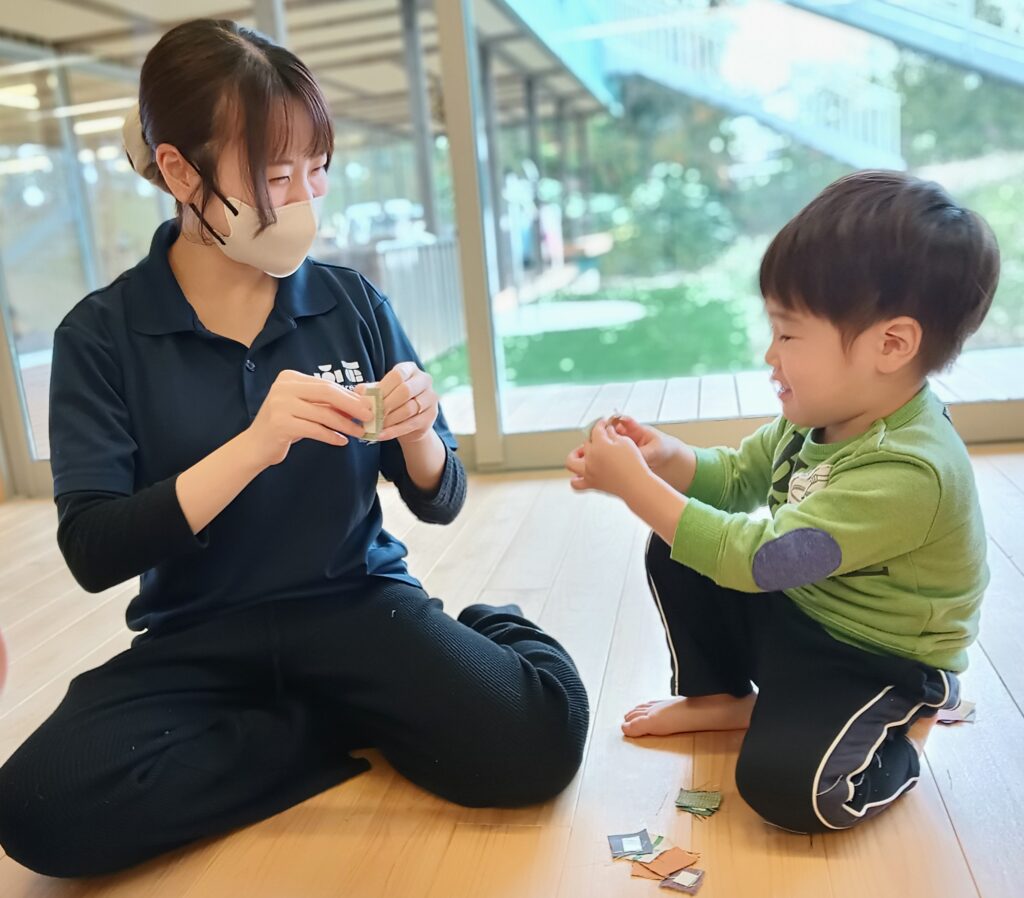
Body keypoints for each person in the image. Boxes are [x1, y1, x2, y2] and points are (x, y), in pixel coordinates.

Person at [0, 19, 588, 877]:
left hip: (359, 607)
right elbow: (94, 551)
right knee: (39, 811)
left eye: (317, 170)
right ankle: (318, 721)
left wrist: (419, 435)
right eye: (277, 178)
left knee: (538, 741)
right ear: (180, 172)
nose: (307, 201)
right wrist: (253, 446)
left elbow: (442, 497)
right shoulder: (101, 335)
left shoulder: (351, 303)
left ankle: (483, 632)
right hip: (198, 638)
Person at [566, 170, 999, 834]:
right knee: (678, 545)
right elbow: (735, 477)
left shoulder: (908, 469)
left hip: (877, 662)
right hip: (803, 613)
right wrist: (665, 459)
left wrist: (634, 486)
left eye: (789, 335)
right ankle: (724, 698)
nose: (770, 354)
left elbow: (759, 560)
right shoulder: (821, 418)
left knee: (785, 789)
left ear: (891, 344)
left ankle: (898, 747)